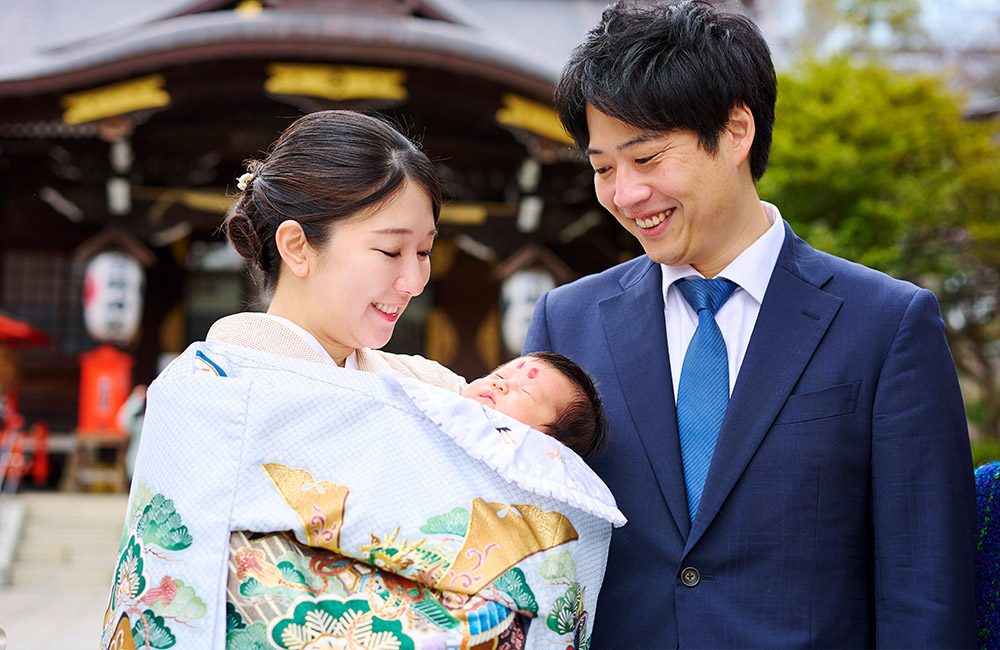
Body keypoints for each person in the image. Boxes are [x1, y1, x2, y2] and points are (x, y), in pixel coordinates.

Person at [522, 1, 977, 647]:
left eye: (646, 158)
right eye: (602, 168)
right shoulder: (566, 321)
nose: (624, 194)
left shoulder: (885, 324)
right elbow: (528, 549)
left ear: (736, 132)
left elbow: (925, 586)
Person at [101, 110, 622, 650]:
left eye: (424, 251)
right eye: (391, 250)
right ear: (297, 246)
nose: (414, 279)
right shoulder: (208, 394)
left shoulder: (437, 388)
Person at [462, 351, 608, 461]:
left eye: (525, 392)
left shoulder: (531, 481)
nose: (500, 384)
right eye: (499, 376)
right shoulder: (449, 396)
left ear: (551, 444)